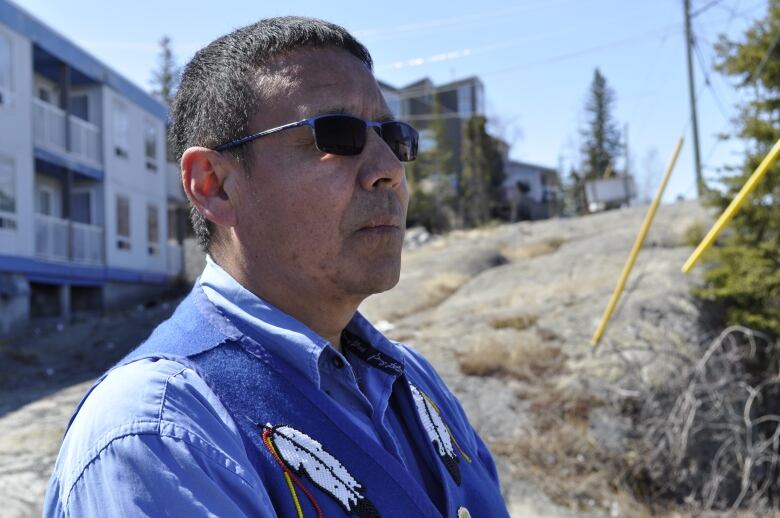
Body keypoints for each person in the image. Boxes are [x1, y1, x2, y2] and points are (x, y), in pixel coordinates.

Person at [43, 17, 509, 517]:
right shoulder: (159, 435)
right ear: (214, 185)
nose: (389, 170)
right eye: (336, 135)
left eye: (395, 138)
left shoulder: (412, 379)